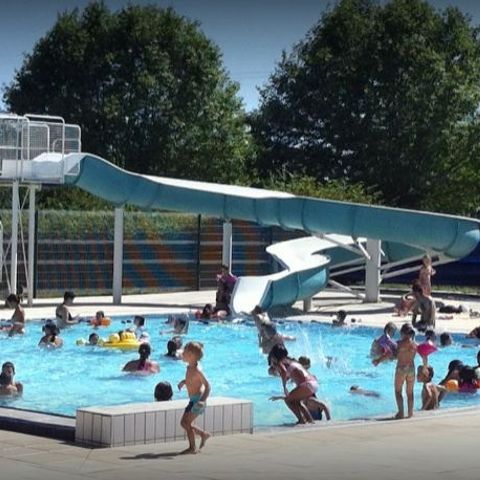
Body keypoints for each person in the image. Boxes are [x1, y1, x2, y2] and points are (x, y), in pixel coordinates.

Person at [268, 343, 318, 424]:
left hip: (307, 384)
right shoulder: (291, 361)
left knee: (288, 400)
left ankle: (302, 420)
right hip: (313, 383)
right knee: (296, 401)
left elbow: (284, 372)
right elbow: (293, 373)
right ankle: (310, 420)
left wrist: (284, 387)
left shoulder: (281, 362)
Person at [178, 341, 211, 454]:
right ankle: (203, 434)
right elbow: (192, 380)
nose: (182, 353)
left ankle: (193, 447)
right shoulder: (189, 368)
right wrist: (184, 382)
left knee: (186, 423)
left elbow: (207, 386)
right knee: (184, 423)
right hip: (193, 400)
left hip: (198, 400)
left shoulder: (197, 371)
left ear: (191, 355)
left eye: (184, 352)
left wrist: (202, 400)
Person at [393, 323, 420, 419]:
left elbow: (394, 356)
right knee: (410, 392)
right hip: (411, 369)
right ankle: (410, 413)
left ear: (402, 333)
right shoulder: (415, 345)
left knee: (398, 391)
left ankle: (401, 413)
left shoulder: (398, 344)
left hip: (401, 368)